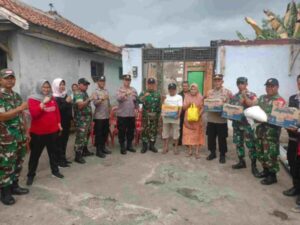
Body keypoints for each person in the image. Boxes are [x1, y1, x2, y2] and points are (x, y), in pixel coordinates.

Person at [0, 69, 29, 205]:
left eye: (12, 77)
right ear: (1, 80)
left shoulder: (16, 96)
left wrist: (27, 131)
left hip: (20, 136)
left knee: (19, 161)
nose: (10, 80)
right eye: (6, 78)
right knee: (7, 165)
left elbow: (22, 115)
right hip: (6, 139)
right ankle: (4, 192)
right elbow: (2, 116)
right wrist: (19, 108)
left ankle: (14, 185)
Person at [27, 79, 64, 186]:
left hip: (52, 132)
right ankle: (30, 175)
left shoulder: (52, 98)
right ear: (39, 87)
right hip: (38, 134)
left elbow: (56, 112)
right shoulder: (32, 99)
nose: (46, 89)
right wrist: (43, 102)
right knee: (35, 155)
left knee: (53, 153)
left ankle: (55, 171)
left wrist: (59, 124)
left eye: (48, 87)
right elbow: (34, 114)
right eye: (44, 87)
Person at [255, 78, 285, 185]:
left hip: (271, 133)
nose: (269, 88)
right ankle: (265, 171)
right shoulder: (262, 98)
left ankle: (272, 176)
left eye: (272, 86)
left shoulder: (279, 101)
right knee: (261, 152)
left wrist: (264, 118)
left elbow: (278, 118)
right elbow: (256, 108)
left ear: (277, 87)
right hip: (260, 131)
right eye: (267, 86)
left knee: (271, 154)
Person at [230, 77, 259, 176]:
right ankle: (241, 161)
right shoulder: (234, 96)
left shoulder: (251, 95)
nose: (240, 85)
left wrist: (244, 97)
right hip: (237, 124)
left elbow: (253, 105)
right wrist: (229, 115)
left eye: (242, 83)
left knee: (251, 145)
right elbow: (231, 109)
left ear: (246, 84)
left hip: (247, 125)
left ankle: (254, 166)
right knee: (238, 144)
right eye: (238, 83)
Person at [205, 74, 232, 164]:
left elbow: (230, 104)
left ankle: (222, 154)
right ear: (214, 81)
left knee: (222, 138)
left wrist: (224, 108)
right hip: (211, 119)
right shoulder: (209, 92)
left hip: (221, 120)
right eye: (215, 80)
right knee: (211, 138)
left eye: (219, 80)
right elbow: (206, 103)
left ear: (222, 81)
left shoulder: (227, 92)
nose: (217, 82)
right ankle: (212, 153)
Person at [283, 75, 300, 207]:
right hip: (293, 136)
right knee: (291, 160)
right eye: (299, 83)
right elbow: (290, 115)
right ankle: (295, 186)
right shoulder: (293, 98)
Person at [52, 78, 73, 167]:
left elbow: (68, 108)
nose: (62, 86)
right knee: (59, 142)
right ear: (56, 85)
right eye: (60, 84)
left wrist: (72, 119)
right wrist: (66, 102)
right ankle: (58, 160)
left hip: (66, 122)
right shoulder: (54, 97)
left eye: (63, 84)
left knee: (65, 141)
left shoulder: (64, 95)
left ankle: (63, 158)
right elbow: (58, 110)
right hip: (59, 123)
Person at [73, 78, 94, 164]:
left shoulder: (84, 93)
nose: (86, 86)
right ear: (79, 84)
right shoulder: (78, 93)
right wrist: (90, 99)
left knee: (86, 135)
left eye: (87, 85)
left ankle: (84, 150)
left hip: (87, 120)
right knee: (80, 137)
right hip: (81, 121)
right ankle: (77, 156)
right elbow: (80, 106)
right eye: (85, 84)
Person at [116, 74, 138, 154]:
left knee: (130, 131)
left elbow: (136, 101)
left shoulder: (134, 90)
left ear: (130, 81)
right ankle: (122, 146)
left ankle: (129, 145)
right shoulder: (120, 89)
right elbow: (118, 98)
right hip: (122, 115)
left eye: (129, 80)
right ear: (123, 80)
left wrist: (136, 109)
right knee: (122, 131)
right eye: (126, 80)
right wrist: (125, 93)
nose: (127, 81)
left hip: (131, 114)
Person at [138, 77, 161, 153]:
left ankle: (152, 146)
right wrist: (144, 96)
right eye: (149, 84)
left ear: (154, 85)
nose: (151, 85)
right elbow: (138, 101)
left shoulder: (157, 94)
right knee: (145, 130)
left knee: (153, 131)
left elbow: (159, 106)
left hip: (154, 117)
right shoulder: (143, 92)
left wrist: (158, 116)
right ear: (147, 84)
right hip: (145, 117)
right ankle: (144, 146)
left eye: (152, 84)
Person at [182, 83, 205, 159]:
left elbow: (203, 107)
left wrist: (199, 115)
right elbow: (184, 108)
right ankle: (190, 151)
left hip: (197, 119)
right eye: (191, 89)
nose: (193, 90)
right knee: (188, 135)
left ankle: (197, 152)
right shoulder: (187, 96)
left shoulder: (200, 96)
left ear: (197, 89)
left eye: (194, 88)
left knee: (197, 135)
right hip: (188, 119)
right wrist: (188, 104)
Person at [93, 76, 111, 158]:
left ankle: (103, 147)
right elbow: (95, 103)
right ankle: (98, 150)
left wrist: (110, 111)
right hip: (99, 117)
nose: (102, 83)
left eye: (103, 81)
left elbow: (108, 103)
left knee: (105, 133)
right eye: (101, 81)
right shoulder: (95, 92)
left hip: (106, 116)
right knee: (99, 134)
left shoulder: (106, 91)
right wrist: (102, 99)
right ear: (98, 82)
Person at [162, 83, 182, 154]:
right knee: (165, 133)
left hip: (175, 117)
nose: (171, 90)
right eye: (170, 89)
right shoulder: (166, 96)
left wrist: (179, 115)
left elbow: (180, 107)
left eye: (173, 89)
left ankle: (175, 148)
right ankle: (165, 147)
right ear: (168, 90)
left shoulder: (179, 97)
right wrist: (162, 100)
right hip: (166, 118)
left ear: (175, 89)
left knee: (176, 133)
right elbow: (163, 106)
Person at [178, 81, 190, 146]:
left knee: (188, 128)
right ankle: (180, 141)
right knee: (180, 127)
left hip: (189, 114)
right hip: (181, 113)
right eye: (184, 86)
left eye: (186, 86)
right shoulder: (179, 94)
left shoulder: (191, 94)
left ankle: (187, 142)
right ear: (182, 87)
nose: (185, 87)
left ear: (188, 86)